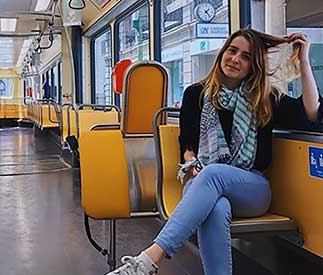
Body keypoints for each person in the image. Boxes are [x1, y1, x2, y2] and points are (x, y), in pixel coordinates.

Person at [106, 29, 322, 275]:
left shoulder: (264, 97)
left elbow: (311, 115)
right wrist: (193, 164)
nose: (235, 59)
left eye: (246, 56)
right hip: (202, 180)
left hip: (250, 188)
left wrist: (304, 59)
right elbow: (187, 147)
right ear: (222, 53)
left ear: (253, 66)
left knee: (214, 173)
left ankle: (148, 260)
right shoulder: (195, 94)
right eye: (232, 51)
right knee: (216, 207)